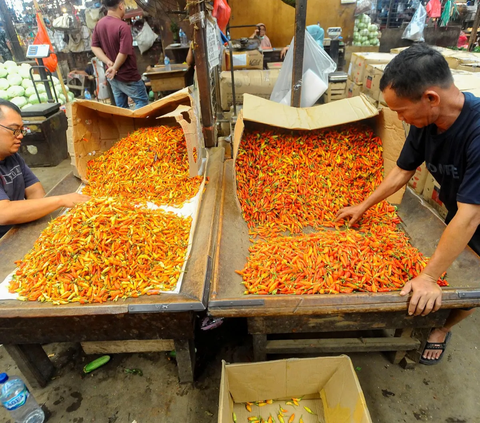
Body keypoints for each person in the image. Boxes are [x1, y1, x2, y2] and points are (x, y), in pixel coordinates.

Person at [336, 43, 480, 365]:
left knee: (475, 283)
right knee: (456, 252)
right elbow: (402, 171)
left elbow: (471, 217)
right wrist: (364, 206)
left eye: (401, 111)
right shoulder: (425, 121)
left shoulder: (477, 132)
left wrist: (428, 277)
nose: (398, 118)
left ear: (431, 98)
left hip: (475, 210)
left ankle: (442, 328)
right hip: (464, 203)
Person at [0, 100, 90, 238]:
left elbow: (35, 190)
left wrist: (29, 215)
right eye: (14, 130)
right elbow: (4, 213)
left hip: (18, 230)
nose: (20, 136)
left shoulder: (12, 157)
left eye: (21, 130)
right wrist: (61, 200)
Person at [91, 0, 149, 109]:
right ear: (121, 6)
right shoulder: (123, 26)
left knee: (121, 108)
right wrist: (115, 67)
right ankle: (139, 126)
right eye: (125, 6)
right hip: (128, 76)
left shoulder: (99, 24)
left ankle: (126, 126)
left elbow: (94, 46)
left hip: (113, 77)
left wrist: (108, 62)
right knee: (142, 105)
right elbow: (124, 52)